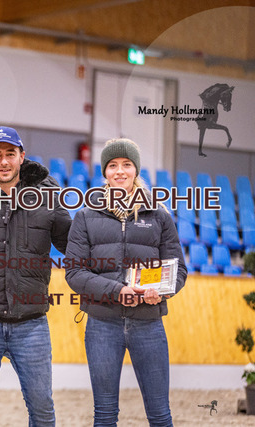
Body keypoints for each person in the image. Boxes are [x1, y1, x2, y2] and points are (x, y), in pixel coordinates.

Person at [0, 126, 72, 426]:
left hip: (32, 323)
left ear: (21, 156)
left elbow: (74, 244)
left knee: (42, 408)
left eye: (10, 154)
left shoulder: (48, 198)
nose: (4, 161)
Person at [64, 138, 187, 427]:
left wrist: (163, 291)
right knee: (105, 415)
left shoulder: (159, 215)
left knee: (160, 414)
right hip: (102, 325)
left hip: (149, 323)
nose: (120, 171)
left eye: (126, 164)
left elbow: (178, 269)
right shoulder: (85, 216)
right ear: (105, 172)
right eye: (113, 165)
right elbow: (74, 272)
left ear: (136, 170)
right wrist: (118, 290)